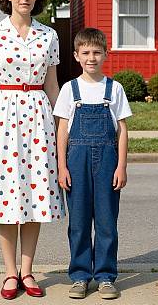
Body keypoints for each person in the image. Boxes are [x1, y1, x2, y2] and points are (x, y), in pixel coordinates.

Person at [0, 0, 64, 300]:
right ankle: (10, 273)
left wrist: (61, 128)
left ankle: (28, 270)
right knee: (7, 197)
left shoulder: (49, 35)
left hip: (39, 116)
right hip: (4, 117)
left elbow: (53, 86)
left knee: (36, 196)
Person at [54, 28, 131, 300]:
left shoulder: (114, 88)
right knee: (79, 222)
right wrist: (62, 167)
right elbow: (62, 131)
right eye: (85, 53)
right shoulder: (69, 88)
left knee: (107, 221)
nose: (91, 58)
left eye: (97, 52)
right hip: (76, 161)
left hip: (108, 161)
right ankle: (80, 276)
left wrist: (121, 166)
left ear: (106, 55)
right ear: (76, 56)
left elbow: (122, 130)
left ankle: (106, 276)